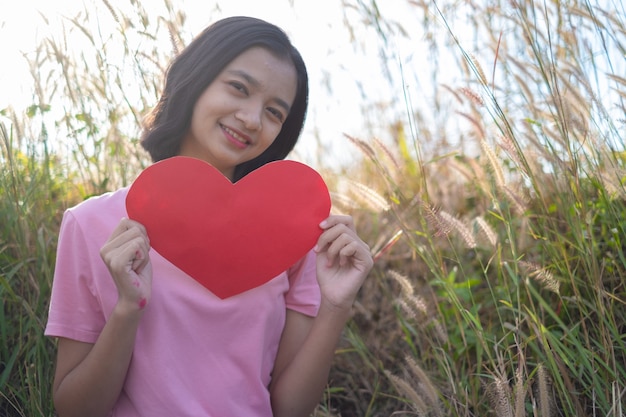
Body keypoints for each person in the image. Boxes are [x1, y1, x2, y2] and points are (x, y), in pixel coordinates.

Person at [45, 15, 373, 417]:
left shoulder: (296, 236)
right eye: (239, 88)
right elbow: (73, 410)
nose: (251, 119)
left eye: (274, 112)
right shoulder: (90, 224)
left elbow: (289, 410)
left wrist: (336, 306)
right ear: (197, 78)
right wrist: (128, 309)